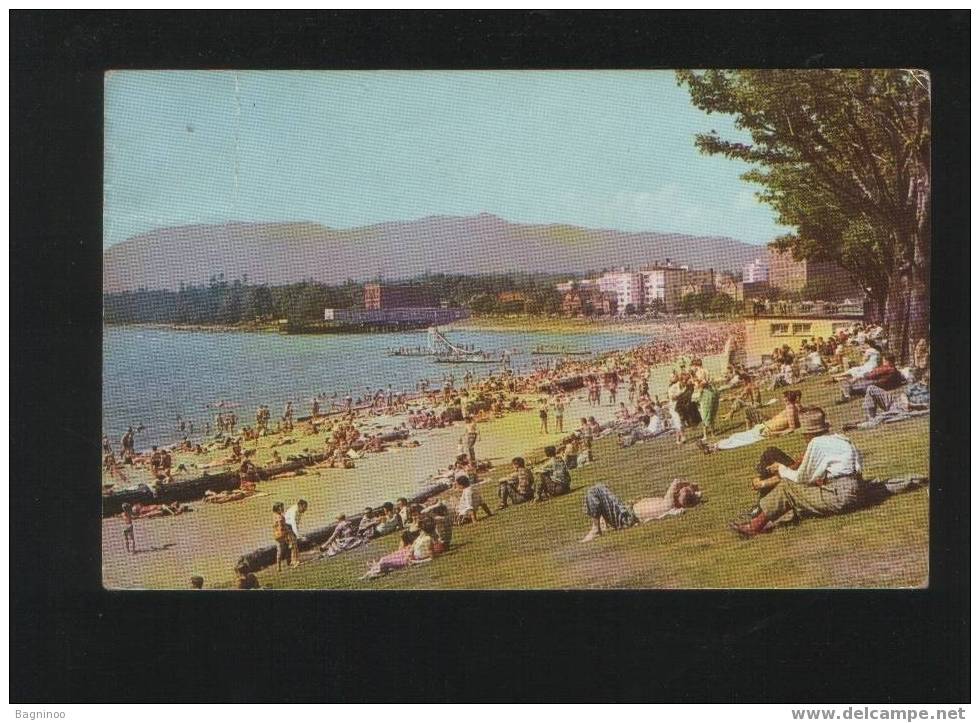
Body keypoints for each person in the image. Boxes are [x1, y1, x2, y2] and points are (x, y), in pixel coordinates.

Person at [729, 408, 866, 537]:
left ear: (808, 433)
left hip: (840, 497)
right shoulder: (842, 439)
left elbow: (801, 478)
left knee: (787, 487)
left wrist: (782, 469)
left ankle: (754, 527)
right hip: (857, 492)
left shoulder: (817, 443)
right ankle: (767, 514)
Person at [581, 479, 703, 542]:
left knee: (595, 490)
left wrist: (691, 484)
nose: (679, 490)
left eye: (682, 490)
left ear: (680, 498)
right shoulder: (670, 505)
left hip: (625, 517)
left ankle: (596, 529)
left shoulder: (668, 504)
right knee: (600, 489)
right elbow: (694, 495)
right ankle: (601, 523)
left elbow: (676, 481)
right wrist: (695, 494)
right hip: (625, 512)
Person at [712, 390, 802, 451]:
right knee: (738, 436)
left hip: (768, 431)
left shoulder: (791, 409)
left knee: (742, 439)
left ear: (787, 399)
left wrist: (775, 434)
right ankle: (714, 446)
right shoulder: (791, 407)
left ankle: (715, 447)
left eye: (784, 397)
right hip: (765, 427)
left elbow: (792, 428)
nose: (783, 399)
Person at [361, 516, 439, 579]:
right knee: (388, 557)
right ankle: (376, 567)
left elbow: (431, 558)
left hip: (411, 558)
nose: (419, 528)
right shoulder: (421, 535)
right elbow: (414, 545)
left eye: (420, 526)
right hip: (409, 554)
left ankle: (374, 570)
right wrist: (410, 551)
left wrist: (415, 562)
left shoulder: (428, 539)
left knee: (385, 561)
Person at [838, 353, 904, 403]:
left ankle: (847, 396)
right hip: (882, 386)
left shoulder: (887, 368)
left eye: (884, 361)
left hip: (876, 385)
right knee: (854, 385)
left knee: (849, 383)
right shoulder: (895, 370)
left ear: (887, 361)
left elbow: (872, 375)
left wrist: (862, 376)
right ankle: (848, 393)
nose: (883, 362)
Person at [284, 499, 308, 566]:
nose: (305, 509)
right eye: (304, 507)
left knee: (293, 544)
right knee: (294, 544)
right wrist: (298, 536)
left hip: (290, 526)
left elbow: (296, 524)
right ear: (300, 506)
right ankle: (295, 561)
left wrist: (298, 534)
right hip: (287, 526)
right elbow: (293, 523)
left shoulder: (299, 511)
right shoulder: (294, 511)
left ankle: (293, 560)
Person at [272, 502, 295, 571]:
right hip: (282, 534)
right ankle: (287, 562)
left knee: (281, 550)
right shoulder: (280, 517)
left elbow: (275, 526)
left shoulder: (274, 516)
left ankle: (279, 565)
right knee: (288, 547)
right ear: (278, 508)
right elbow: (281, 526)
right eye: (281, 507)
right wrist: (287, 533)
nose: (283, 508)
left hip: (277, 535)